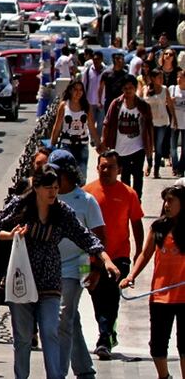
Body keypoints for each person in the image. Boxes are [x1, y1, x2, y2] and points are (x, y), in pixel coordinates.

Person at [0, 165, 120, 379]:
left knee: (51, 331)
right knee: (22, 337)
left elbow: (85, 237)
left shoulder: (62, 211)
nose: (53, 192)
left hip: (50, 279)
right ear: (37, 187)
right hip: (22, 276)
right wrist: (11, 235)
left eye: (56, 188)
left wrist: (106, 260)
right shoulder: (20, 205)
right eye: (49, 187)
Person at [49, 150, 106, 379]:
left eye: (56, 174)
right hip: (52, 268)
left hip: (79, 266)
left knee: (63, 316)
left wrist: (96, 270)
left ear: (69, 175)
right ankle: (84, 369)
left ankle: (58, 373)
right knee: (71, 318)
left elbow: (100, 237)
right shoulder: (47, 197)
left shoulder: (86, 201)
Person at [85, 150, 146, 358]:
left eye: (110, 167)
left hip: (119, 256)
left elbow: (136, 223)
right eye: (102, 166)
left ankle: (104, 338)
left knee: (111, 296)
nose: (106, 170)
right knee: (95, 294)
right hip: (90, 257)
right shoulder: (87, 193)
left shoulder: (128, 193)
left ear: (119, 169)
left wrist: (139, 251)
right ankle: (108, 331)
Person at [120, 185, 185, 379]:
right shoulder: (158, 228)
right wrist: (131, 276)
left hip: (183, 296)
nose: (167, 205)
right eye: (165, 200)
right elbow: (145, 255)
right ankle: (164, 376)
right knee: (157, 343)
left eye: (171, 200)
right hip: (160, 295)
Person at [103, 74, 156, 192]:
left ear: (136, 88)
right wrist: (104, 143)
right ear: (122, 89)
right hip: (120, 149)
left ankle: (137, 201)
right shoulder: (116, 104)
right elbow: (107, 124)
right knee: (124, 176)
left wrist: (150, 152)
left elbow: (149, 129)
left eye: (131, 88)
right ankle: (127, 201)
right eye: (125, 88)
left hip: (138, 148)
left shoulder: (143, 106)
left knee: (138, 175)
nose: (128, 91)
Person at [51, 79, 100, 181]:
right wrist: (51, 147)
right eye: (75, 89)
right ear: (70, 90)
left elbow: (92, 128)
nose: (78, 92)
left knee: (81, 176)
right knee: (67, 175)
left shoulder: (86, 106)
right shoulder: (64, 106)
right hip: (67, 144)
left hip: (82, 144)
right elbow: (57, 127)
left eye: (81, 90)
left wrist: (99, 145)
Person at [143, 69, 176, 180]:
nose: (162, 79)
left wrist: (174, 118)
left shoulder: (165, 89)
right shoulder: (146, 89)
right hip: (149, 122)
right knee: (148, 146)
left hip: (162, 122)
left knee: (158, 146)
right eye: (159, 77)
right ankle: (149, 163)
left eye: (162, 77)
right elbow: (142, 103)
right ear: (153, 78)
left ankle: (156, 169)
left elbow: (170, 105)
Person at [83, 50, 108, 130]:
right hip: (90, 101)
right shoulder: (87, 71)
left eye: (98, 59)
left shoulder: (106, 72)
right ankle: (93, 140)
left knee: (101, 123)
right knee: (90, 122)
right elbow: (84, 85)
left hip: (102, 102)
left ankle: (98, 140)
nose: (96, 61)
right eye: (94, 59)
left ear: (101, 59)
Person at [171, 70, 185, 178]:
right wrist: (170, 102)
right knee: (173, 147)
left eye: (181, 77)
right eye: (178, 77)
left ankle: (181, 167)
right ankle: (175, 167)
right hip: (174, 122)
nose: (179, 79)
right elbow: (167, 104)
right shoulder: (173, 89)